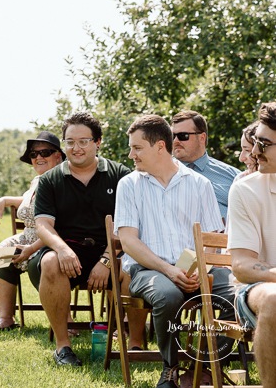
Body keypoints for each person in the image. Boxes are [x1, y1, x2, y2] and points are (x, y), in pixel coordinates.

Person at [116, 114, 234, 388]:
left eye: (137, 148)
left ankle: (202, 367)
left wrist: (196, 270)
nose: (131, 154)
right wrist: (169, 270)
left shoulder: (199, 184)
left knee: (234, 296)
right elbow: (129, 241)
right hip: (147, 269)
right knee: (168, 295)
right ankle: (170, 367)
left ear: (160, 146)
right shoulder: (129, 185)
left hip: (196, 266)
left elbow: (213, 237)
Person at [29, 111, 131, 366]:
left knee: (133, 266)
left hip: (111, 250)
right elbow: (43, 224)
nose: (76, 148)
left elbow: (129, 224)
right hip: (68, 253)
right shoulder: (49, 180)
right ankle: (63, 347)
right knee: (51, 261)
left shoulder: (121, 175)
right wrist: (62, 249)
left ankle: (135, 343)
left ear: (98, 142)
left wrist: (107, 259)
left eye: (83, 141)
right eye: (70, 142)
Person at [0, 131, 65, 331]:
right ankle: (6, 318)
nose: (39, 157)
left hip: (50, 240)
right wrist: (5, 200)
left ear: (58, 155)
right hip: (28, 236)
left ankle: (61, 319)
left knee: (36, 262)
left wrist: (32, 247)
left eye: (45, 152)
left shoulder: (61, 181)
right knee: (1, 253)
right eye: (34, 154)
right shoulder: (37, 180)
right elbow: (27, 202)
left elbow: (61, 224)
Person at [227, 102, 276, 388]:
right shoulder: (245, 189)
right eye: (255, 142)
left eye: (264, 144)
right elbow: (242, 266)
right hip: (256, 289)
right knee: (274, 298)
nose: (254, 152)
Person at [170, 110, 240, 221]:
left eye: (183, 136)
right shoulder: (158, 176)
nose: (175, 141)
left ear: (202, 137)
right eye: (172, 136)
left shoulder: (234, 176)